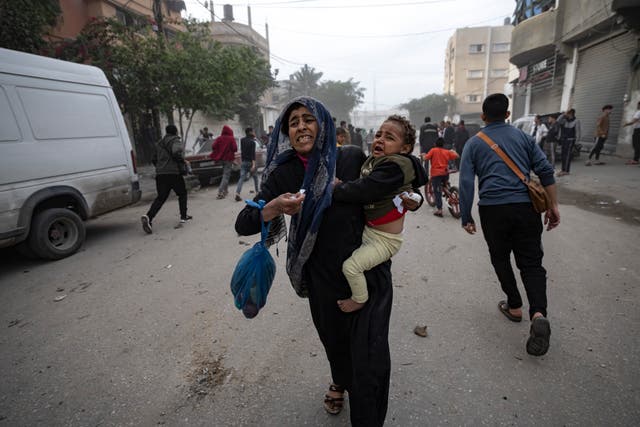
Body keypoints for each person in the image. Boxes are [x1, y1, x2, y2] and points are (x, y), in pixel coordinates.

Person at [235, 96, 421, 426]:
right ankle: (339, 380)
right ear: (285, 132)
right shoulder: (284, 172)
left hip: (368, 270)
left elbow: (401, 170)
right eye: (293, 123)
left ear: (323, 125)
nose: (302, 126)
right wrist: (276, 205)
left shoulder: (349, 157)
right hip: (322, 276)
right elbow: (245, 222)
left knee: (370, 357)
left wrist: (412, 197)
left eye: (309, 119)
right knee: (335, 344)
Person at [459, 93, 560, 357]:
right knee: (531, 263)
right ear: (507, 115)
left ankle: (514, 305)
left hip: (493, 209)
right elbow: (546, 171)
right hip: (525, 208)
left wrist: (466, 216)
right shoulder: (524, 138)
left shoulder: (473, 144)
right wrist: (553, 205)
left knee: (500, 258)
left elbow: (467, 182)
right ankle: (538, 312)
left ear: (483, 116)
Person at [332, 115, 426, 313]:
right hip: (370, 231)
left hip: (384, 240)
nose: (380, 140)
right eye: (378, 134)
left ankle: (359, 299)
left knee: (351, 267)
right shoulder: (377, 161)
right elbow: (410, 191)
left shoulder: (395, 166)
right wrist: (416, 200)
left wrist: (337, 189)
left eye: (389, 137)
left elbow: (366, 189)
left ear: (405, 148)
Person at [141, 125, 192, 234]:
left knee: (161, 197)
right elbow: (176, 153)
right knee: (182, 193)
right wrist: (182, 161)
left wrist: (161, 167)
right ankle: (183, 216)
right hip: (173, 173)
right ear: (175, 131)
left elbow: (154, 159)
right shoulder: (175, 140)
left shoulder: (159, 143)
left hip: (160, 174)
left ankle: (149, 217)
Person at [424, 137, 459, 217]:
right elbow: (457, 156)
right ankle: (450, 192)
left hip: (436, 175)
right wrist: (453, 151)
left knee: (437, 192)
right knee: (445, 184)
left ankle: (439, 210)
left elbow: (426, 158)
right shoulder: (447, 151)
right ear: (443, 145)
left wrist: (423, 155)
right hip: (445, 174)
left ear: (435, 144)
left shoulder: (433, 150)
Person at [210, 125, 237, 199]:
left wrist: (220, 150)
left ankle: (225, 190)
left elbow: (213, 146)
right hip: (228, 159)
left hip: (221, 159)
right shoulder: (231, 138)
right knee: (226, 175)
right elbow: (235, 148)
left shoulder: (219, 138)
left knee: (225, 174)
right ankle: (220, 191)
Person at [234, 127, 260, 201]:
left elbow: (243, 151)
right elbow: (252, 154)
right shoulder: (252, 142)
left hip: (244, 162)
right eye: (253, 131)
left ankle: (237, 193)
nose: (254, 132)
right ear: (250, 132)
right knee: (255, 177)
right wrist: (254, 165)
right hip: (251, 162)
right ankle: (257, 192)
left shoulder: (242, 140)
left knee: (241, 178)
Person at [557, 108, 581, 176]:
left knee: (567, 156)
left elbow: (578, 132)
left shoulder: (576, 121)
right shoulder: (565, 121)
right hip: (564, 140)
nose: (566, 114)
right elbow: (558, 121)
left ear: (571, 114)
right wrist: (563, 114)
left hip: (570, 140)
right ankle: (563, 169)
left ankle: (566, 171)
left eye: (567, 113)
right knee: (563, 155)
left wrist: (577, 142)